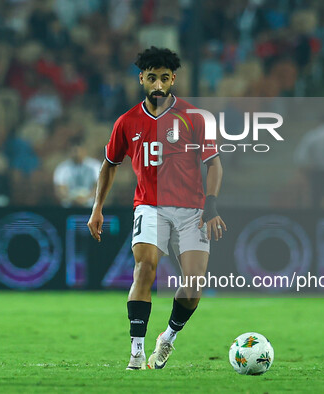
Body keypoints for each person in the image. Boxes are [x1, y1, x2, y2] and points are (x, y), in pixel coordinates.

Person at [87, 47, 226, 370]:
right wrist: (97, 208)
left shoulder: (194, 117)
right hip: (150, 206)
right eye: (152, 78)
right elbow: (109, 165)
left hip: (192, 209)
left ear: (173, 79)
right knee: (144, 267)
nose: (158, 84)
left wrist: (211, 203)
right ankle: (136, 350)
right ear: (142, 80)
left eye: (164, 78)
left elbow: (214, 164)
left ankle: (168, 339)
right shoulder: (127, 122)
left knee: (193, 285)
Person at [53, 137, 100, 207]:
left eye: (78, 150)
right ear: (69, 151)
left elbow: (99, 187)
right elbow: (60, 189)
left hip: (91, 206)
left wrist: (86, 199)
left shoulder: (95, 166)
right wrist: (71, 199)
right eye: (74, 151)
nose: (76, 154)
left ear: (84, 150)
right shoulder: (62, 168)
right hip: (69, 206)